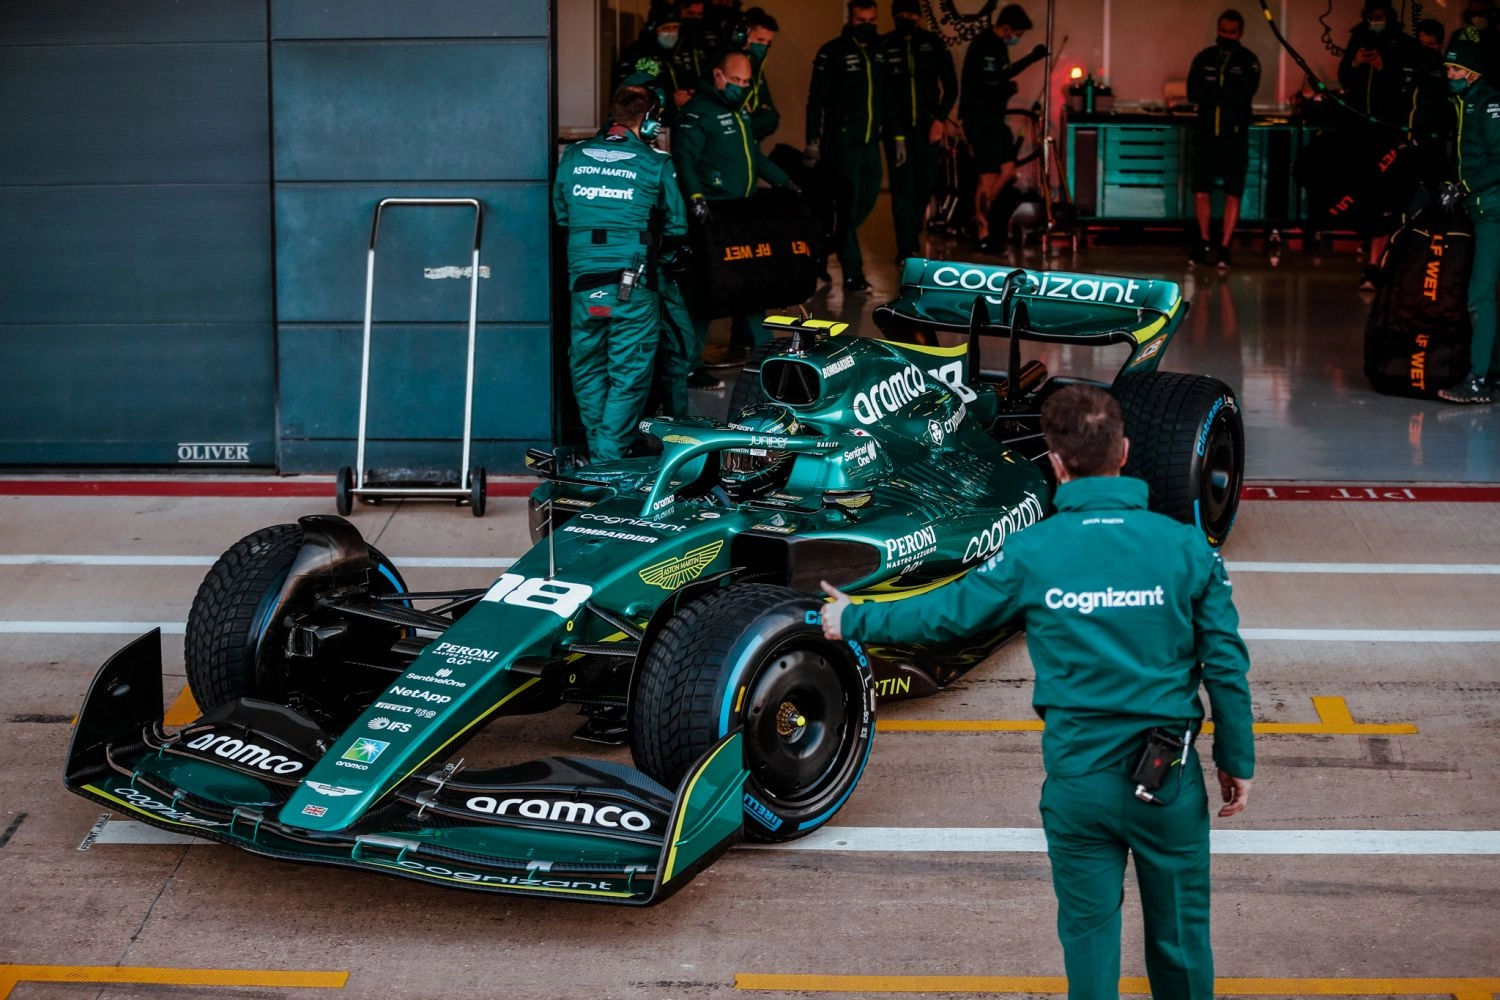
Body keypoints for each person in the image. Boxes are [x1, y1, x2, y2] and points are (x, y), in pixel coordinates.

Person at [819, 384, 1255, 1000]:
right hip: (1168, 779)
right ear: (1125, 451)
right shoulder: (1186, 547)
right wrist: (1236, 759)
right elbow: (1226, 665)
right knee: (1181, 940)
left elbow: (945, 614)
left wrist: (853, 619)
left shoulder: (1031, 551)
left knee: (1089, 942)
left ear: (1054, 461)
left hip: (1078, 782)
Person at [553, 87, 688, 462]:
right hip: (633, 285)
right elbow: (677, 226)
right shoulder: (655, 162)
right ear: (646, 121)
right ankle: (608, 459)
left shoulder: (575, 156)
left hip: (583, 282)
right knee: (628, 374)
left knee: (587, 366)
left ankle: (600, 448)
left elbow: (562, 215)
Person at [674, 50, 798, 387]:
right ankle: (688, 366)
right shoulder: (698, 113)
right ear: (718, 76)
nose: (741, 87)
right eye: (736, 80)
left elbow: (753, 157)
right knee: (706, 295)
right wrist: (697, 200)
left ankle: (768, 357)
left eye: (746, 82)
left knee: (751, 288)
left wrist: (784, 181)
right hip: (711, 221)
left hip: (741, 218)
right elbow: (683, 159)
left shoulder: (739, 112)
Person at [806, 0, 888, 292]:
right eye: (861, 18)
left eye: (871, 19)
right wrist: (812, 140)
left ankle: (824, 246)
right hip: (840, 143)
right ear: (850, 19)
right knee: (846, 205)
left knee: (865, 199)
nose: (866, 23)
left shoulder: (879, 51)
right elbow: (816, 98)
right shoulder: (833, 51)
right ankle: (853, 272)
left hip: (869, 142)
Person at [1339, 0, 1422, 288]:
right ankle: (1372, 249)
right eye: (1370, 17)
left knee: (1387, 196)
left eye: (1379, 17)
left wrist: (1383, 67)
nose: (1374, 21)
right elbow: (1344, 76)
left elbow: (1406, 85)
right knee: (1365, 193)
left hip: (1389, 130)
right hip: (1362, 130)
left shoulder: (1401, 43)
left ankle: (1377, 262)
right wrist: (1356, 62)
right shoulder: (1358, 37)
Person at [1440, 29, 1500, 403]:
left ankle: (1478, 380)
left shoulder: (1489, 103)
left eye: (1454, 69)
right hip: (1482, 210)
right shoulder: (1467, 104)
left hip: (1494, 212)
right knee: (1486, 295)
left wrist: (1464, 187)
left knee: (1479, 296)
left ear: (1471, 72)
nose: (1448, 76)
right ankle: (1491, 373)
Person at [959, 4, 1047, 253]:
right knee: (986, 177)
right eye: (1016, 32)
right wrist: (1007, 88)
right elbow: (991, 82)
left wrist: (1032, 57)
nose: (1016, 37)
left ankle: (979, 217)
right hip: (980, 120)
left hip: (995, 119)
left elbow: (1003, 73)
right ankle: (982, 233)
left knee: (1008, 171)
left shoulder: (997, 47)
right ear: (1006, 27)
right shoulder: (986, 44)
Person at [880, 0, 959, 262]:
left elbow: (951, 87)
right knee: (902, 189)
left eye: (911, 13)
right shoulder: (885, 45)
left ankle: (912, 230)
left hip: (929, 128)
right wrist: (891, 127)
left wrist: (939, 120)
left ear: (919, 16)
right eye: (901, 14)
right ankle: (907, 248)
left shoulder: (933, 43)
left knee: (925, 184)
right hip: (896, 131)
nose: (906, 17)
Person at [1186, 10, 1261, 270]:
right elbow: (1193, 92)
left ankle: (1225, 247)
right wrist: (1220, 94)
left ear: (1239, 33)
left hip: (1234, 137)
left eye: (1232, 32)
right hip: (1206, 134)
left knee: (1233, 193)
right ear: (1218, 30)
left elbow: (1244, 94)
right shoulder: (1204, 58)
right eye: (1223, 31)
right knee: (1201, 191)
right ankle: (1205, 242)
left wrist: (1217, 93)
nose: (1227, 36)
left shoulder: (1249, 60)